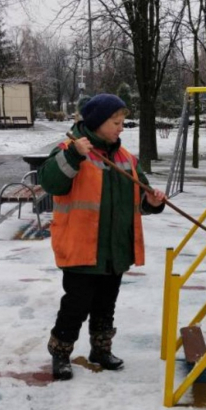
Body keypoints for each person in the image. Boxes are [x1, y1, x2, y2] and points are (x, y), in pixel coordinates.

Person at [38, 94, 167, 380]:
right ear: (97, 123)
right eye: (116, 122)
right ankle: (61, 353)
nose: (121, 127)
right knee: (76, 305)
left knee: (106, 304)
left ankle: (101, 349)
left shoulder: (126, 159)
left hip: (115, 248)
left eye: (122, 122)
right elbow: (50, 183)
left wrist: (153, 202)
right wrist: (73, 154)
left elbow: (140, 200)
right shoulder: (70, 150)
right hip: (81, 246)